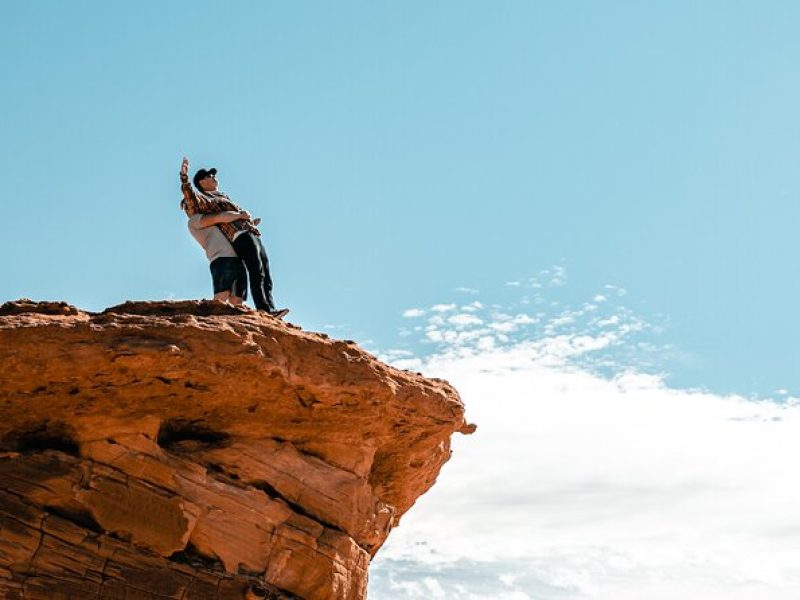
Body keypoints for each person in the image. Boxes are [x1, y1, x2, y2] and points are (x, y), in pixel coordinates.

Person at [179, 157, 289, 318]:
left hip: (251, 232)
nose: (214, 177)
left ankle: (271, 309)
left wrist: (248, 220)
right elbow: (190, 196)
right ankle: (264, 310)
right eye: (209, 175)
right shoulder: (206, 199)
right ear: (202, 182)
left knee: (265, 272)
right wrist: (184, 177)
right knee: (256, 271)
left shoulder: (223, 196)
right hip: (239, 236)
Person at [181, 201, 250, 305]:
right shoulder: (194, 220)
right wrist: (241, 216)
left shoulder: (209, 217)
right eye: (187, 207)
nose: (190, 208)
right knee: (222, 295)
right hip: (222, 259)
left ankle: (230, 321)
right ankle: (211, 319)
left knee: (237, 298)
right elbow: (219, 218)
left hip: (237, 259)